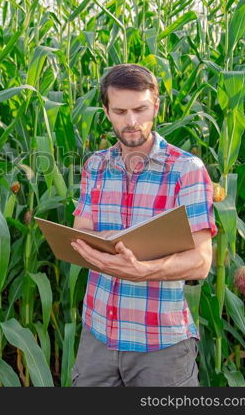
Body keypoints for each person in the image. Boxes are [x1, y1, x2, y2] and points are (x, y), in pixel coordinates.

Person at [70, 64, 217, 387]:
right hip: (97, 336)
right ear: (106, 111)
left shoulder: (186, 170)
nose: (132, 121)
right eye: (120, 111)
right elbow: (82, 232)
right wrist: (94, 241)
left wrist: (143, 270)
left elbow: (201, 262)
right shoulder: (96, 165)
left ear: (157, 106)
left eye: (141, 109)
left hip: (160, 343)